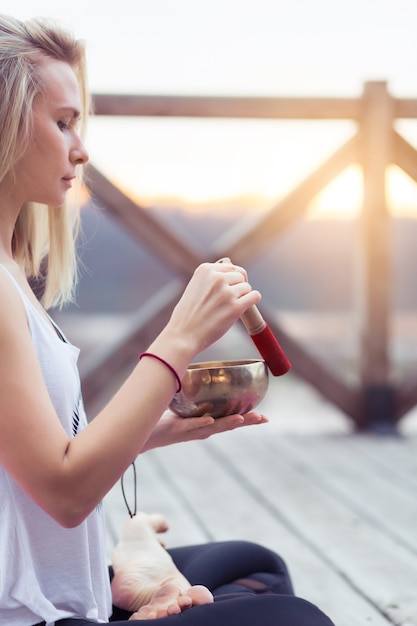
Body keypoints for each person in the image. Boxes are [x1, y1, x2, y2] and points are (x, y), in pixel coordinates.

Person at [0, 13, 335, 626]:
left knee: (253, 566)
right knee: (292, 617)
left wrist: (148, 430)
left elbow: (26, 461)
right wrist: (179, 338)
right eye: (63, 122)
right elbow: (63, 491)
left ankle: (116, 571)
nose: (81, 147)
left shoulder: (13, 273)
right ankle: (116, 577)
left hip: (63, 580)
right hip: (31, 611)